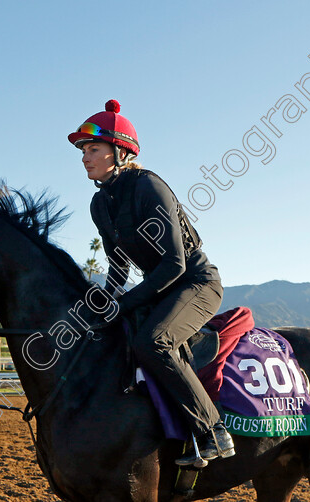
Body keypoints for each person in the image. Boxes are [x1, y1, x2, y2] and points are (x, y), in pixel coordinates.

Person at [68, 100, 234, 465]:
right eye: (83, 150)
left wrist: (123, 304)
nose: (85, 156)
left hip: (196, 283)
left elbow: (174, 264)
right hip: (160, 288)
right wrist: (97, 305)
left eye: (93, 148)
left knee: (154, 342)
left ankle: (212, 431)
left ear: (120, 152)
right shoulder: (99, 205)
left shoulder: (148, 186)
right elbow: (118, 269)